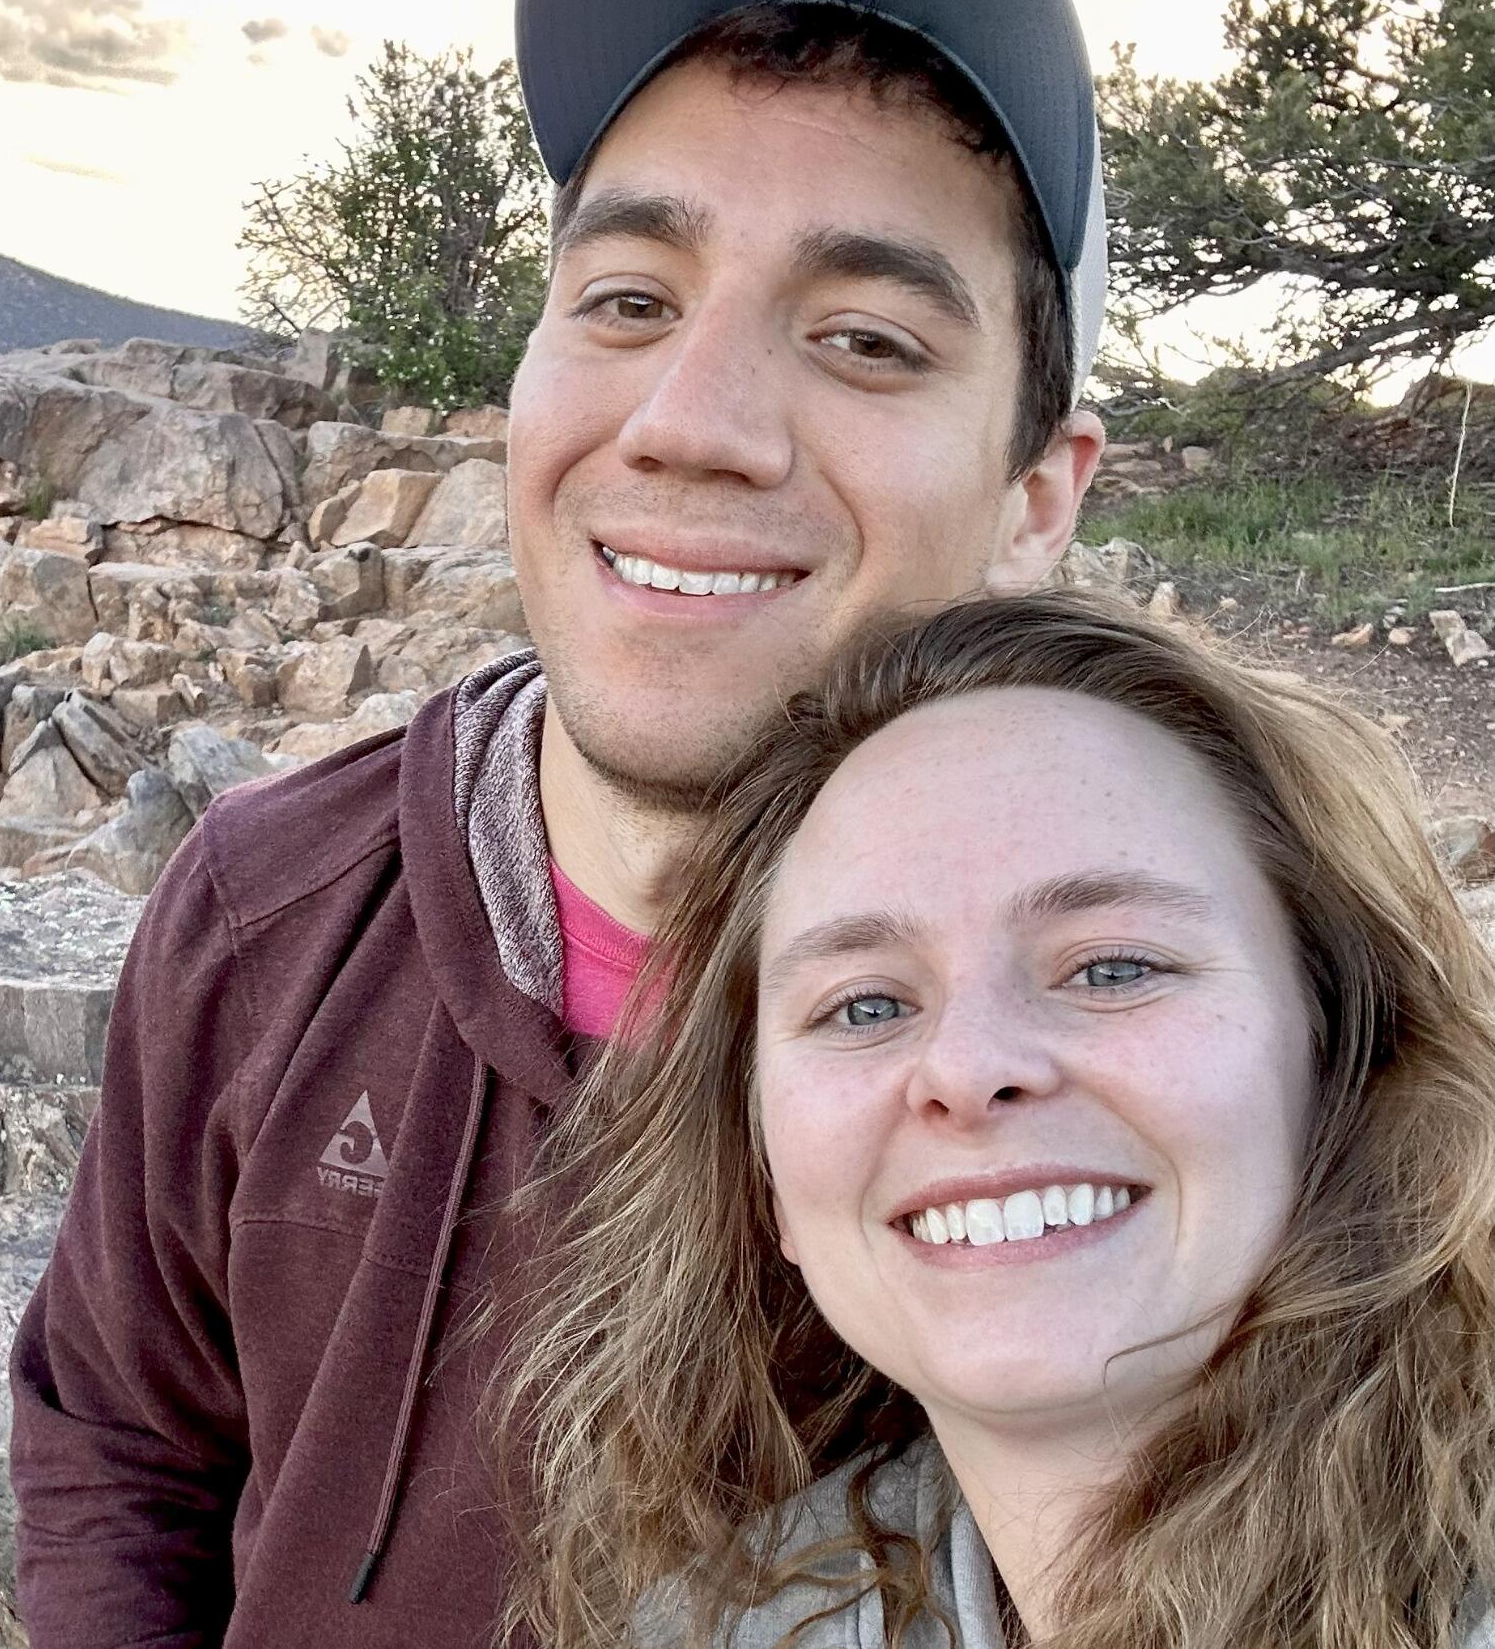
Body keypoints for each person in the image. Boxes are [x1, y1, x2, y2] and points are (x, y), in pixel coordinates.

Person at [8, 0, 1108, 1649]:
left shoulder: (1145, 1053)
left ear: (1040, 494)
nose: (692, 421)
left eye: (865, 341)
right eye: (628, 300)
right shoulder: (268, 915)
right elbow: (118, 1430)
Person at [498, 590, 1495, 1649]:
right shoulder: (725, 1627)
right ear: (765, 1171)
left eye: (1113, 967)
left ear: (1344, 1051)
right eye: (867, 1004)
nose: (968, 1071)